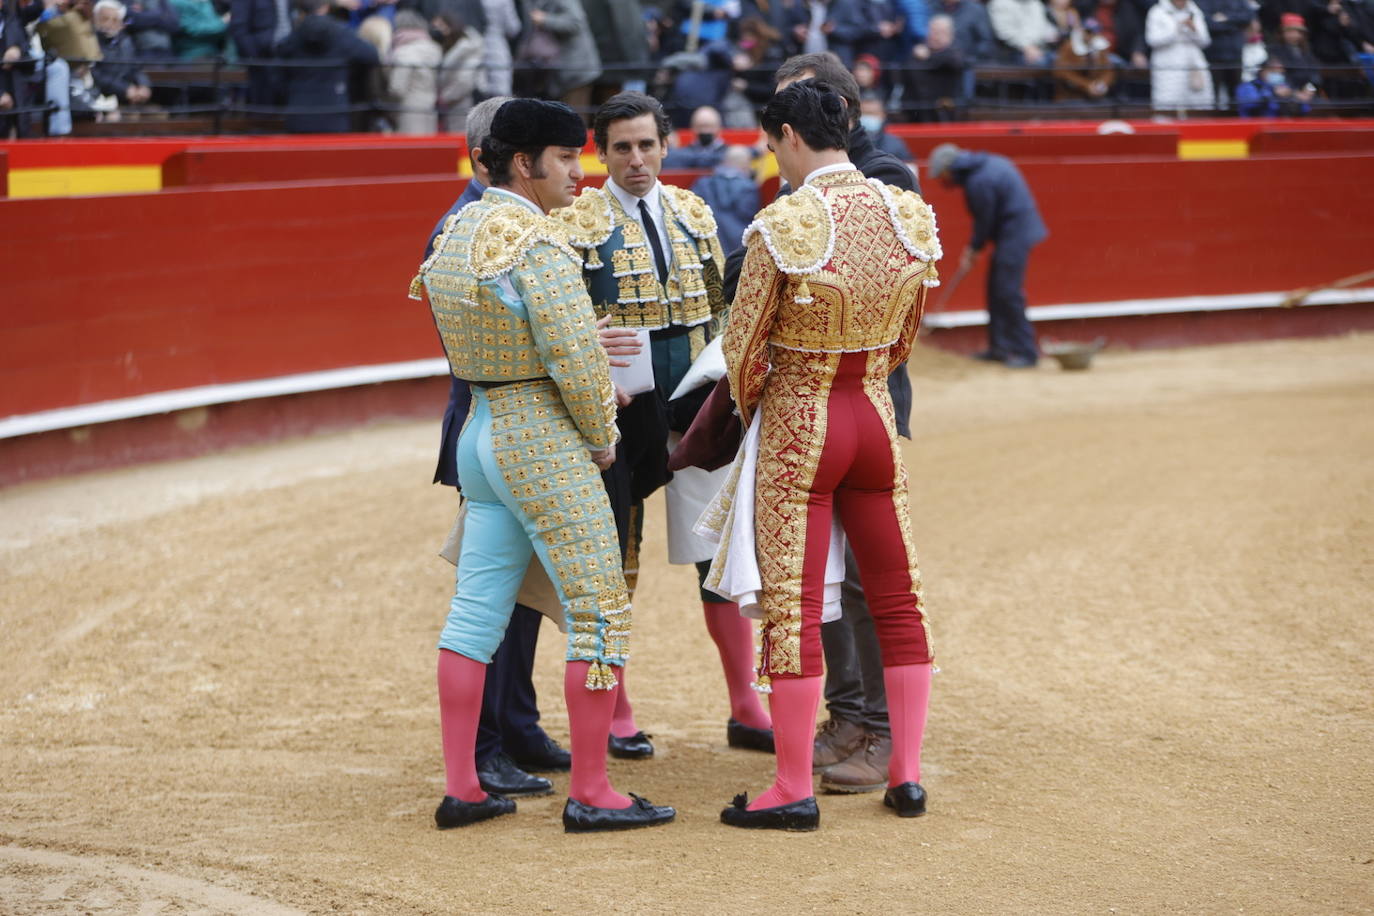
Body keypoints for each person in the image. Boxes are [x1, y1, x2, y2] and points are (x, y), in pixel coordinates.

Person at [410, 97, 676, 833]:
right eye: (565, 158)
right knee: (598, 611)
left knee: (474, 613)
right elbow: (572, 356)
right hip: (540, 436)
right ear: (523, 164)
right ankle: (593, 790)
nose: (579, 172)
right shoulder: (537, 242)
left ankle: (463, 785)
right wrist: (600, 435)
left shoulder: (459, 231)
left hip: (480, 431)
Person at [702, 80, 939, 831]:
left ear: (787, 136)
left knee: (794, 607)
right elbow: (908, 333)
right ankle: (905, 775)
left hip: (803, 422)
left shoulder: (787, 223)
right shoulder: (907, 212)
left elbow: (742, 348)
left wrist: (762, 408)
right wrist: (863, 373)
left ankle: (792, 788)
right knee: (899, 598)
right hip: (872, 411)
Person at [553, 91, 773, 758]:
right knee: (613, 560)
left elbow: (718, 314)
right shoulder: (576, 223)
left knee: (718, 556)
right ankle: (614, 704)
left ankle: (744, 703)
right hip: (615, 415)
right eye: (621, 147)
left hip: (692, 409)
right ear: (602, 151)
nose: (636, 159)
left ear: (666, 145)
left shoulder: (694, 213)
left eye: (646, 144)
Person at [766, 51, 919, 796]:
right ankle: (852, 715)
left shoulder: (885, 179)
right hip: (839, 400)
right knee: (827, 580)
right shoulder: (799, 187)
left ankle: (881, 731)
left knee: (860, 580)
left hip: (854, 398)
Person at [928, 142, 1046, 369]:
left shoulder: (978, 181)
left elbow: (985, 221)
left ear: (951, 169)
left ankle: (1027, 352)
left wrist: (974, 248)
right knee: (997, 291)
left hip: (1014, 235)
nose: (943, 179)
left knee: (1008, 293)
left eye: (942, 174)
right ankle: (999, 348)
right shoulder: (988, 165)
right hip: (1013, 232)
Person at [276, 0, 379, 133]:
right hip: (334, 113)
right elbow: (371, 55)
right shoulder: (341, 33)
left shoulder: (293, 37)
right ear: (326, 6)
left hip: (299, 113)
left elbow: (278, 68)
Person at [1146, 0, 1213, 112]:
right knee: (1167, 103)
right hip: (1167, 64)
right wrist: (1177, 28)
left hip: (1193, 64)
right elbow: (1152, 40)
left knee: (1200, 104)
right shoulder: (1157, 12)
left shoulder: (1195, 11)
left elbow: (1205, 41)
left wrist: (1193, 29)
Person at [691, 144, 761, 253]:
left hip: (707, 245)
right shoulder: (748, 187)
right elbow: (750, 217)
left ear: (725, 161)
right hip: (739, 247)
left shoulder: (701, 183)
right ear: (745, 164)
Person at [385, 8, 440, 134]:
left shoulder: (404, 52)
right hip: (430, 105)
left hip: (409, 108)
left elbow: (397, 88)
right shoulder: (433, 48)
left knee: (410, 148)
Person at [904, 14, 968, 120]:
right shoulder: (919, 50)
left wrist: (930, 56)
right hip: (918, 109)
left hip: (947, 112)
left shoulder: (955, 51)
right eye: (933, 31)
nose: (935, 36)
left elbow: (955, 62)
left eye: (940, 32)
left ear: (950, 35)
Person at [93, 0, 152, 111]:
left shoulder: (126, 41)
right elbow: (95, 74)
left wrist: (144, 86)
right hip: (100, 97)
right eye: (105, 19)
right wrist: (124, 89)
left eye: (115, 20)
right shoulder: (90, 41)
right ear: (95, 20)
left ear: (121, 24)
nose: (109, 24)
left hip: (128, 96)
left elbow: (136, 68)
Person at [1195, 0, 1253, 106]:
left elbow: (1248, 16)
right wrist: (1234, 25)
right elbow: (1206, 22)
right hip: (1212, 55)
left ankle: (1236, 119)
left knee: (1236, 94)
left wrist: (1227, 19)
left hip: (1235, 54)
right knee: (1213, 94)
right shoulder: (1202, 2)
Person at [1053, 16, 1117, 100]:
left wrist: (1102, 84)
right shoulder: (1069, 47)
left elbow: (1108, 70)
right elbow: (1061, 72)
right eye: (1088, 32)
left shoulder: (1101, 47)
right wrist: (1086, 85)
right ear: (1081, 31)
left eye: (1094, 32)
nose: (1090, 35)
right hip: (1071, 95)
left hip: (1096, 95)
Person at [1235, 54, 1312, 114]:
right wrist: (1273, 93)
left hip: (1280, 127)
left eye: (1280, 73)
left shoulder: (1284, 87)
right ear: (1262, 71)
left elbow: (1305, 109)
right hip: (1255, 128)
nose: (1277, 75)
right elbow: (1248, 105)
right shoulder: (1248, 87)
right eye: (1273, 71)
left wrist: (1294, 95)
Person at [662, 104, 727, 169]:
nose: (705, 131)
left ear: (719, 127)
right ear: (693, 128)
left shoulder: (728, 152)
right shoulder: (682, 153)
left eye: (709, 126)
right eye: (701, 126)